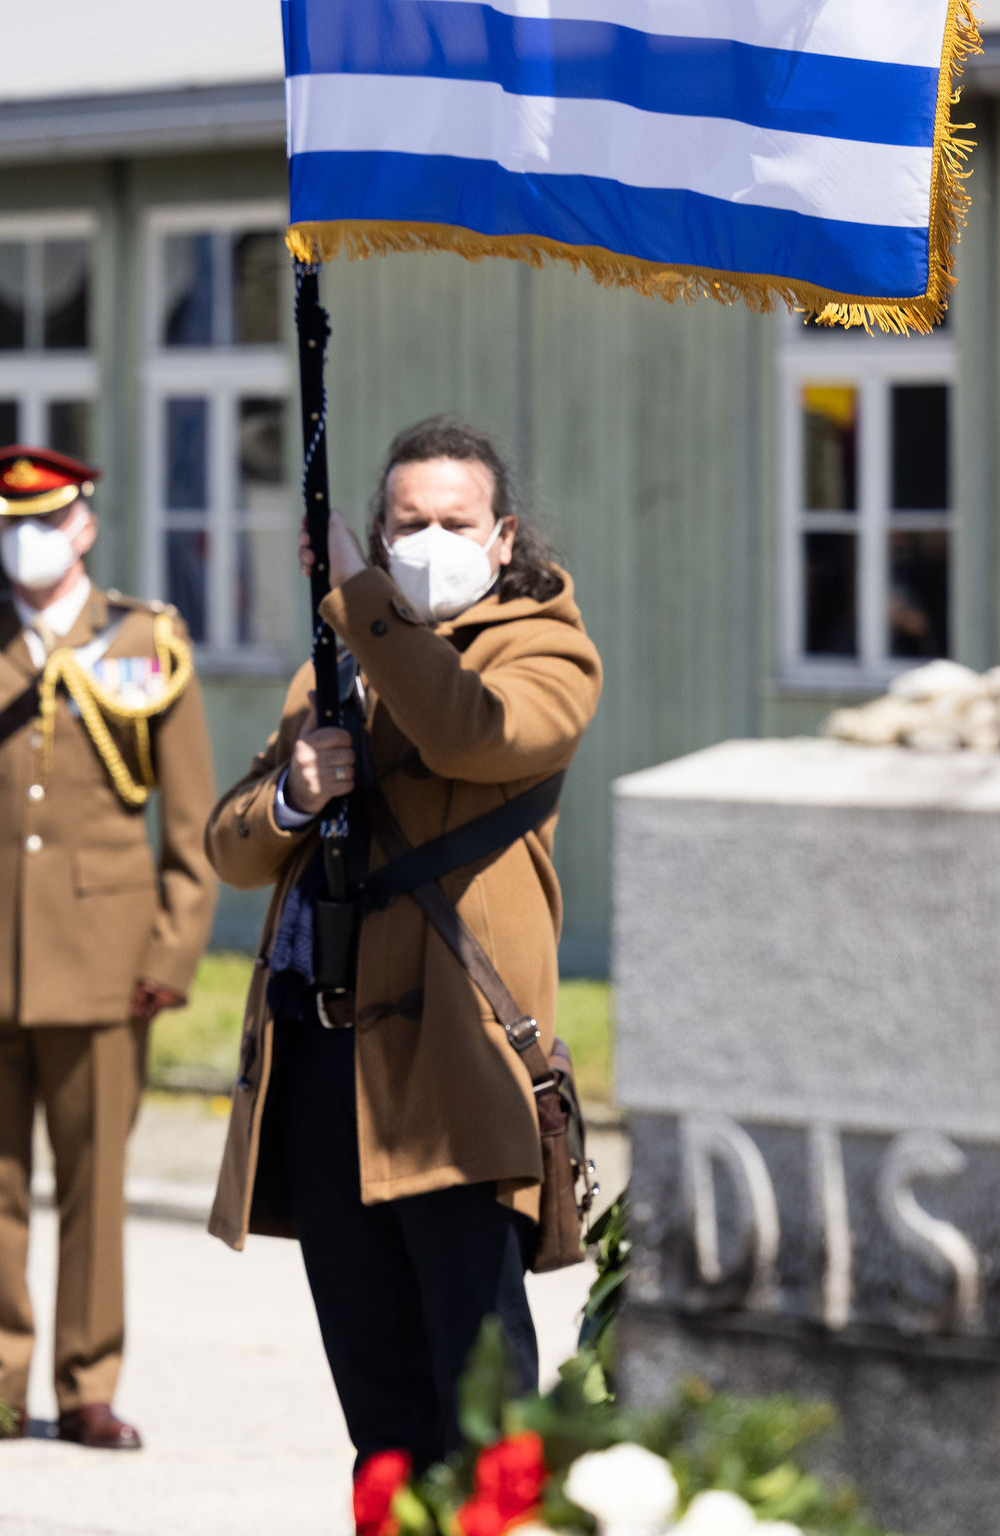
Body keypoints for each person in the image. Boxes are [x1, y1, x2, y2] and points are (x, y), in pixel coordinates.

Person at [204, 417, 601, 1477]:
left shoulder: (544, 650)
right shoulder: (335, 664)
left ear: (503, 535)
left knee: (483, 1414)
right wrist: (292, 796)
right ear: (378, 533)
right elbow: (229, 845)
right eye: (406, 521)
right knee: (379, 1416)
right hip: (326, 1074)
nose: (430, 541)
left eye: (454, 523)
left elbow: (468, 729)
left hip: (456, 1078)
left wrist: (356, 594)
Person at [0, 445, 218, 1450]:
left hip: (106, 963)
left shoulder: (146, 642)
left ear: (83, 525)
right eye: (10, 522)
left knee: (93, 1184)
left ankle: (86, 1386)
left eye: (44, 520)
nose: (25, 538)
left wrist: (169, 956)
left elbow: (191, 825)